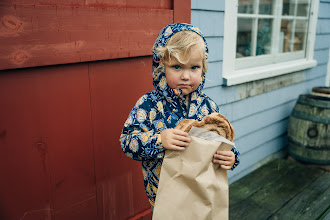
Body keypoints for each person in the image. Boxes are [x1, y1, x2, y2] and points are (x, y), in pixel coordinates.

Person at [119, 23, 240, 209]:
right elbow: (127, 142)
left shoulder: (208, 107)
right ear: (161, 67)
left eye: (194, 68)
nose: (186, 76)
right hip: (164, 197)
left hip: (201, 194)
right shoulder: (149, 105)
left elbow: (221, 142)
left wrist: (231, 157)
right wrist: (160, 139)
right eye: (177, 67)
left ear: (203, 68)